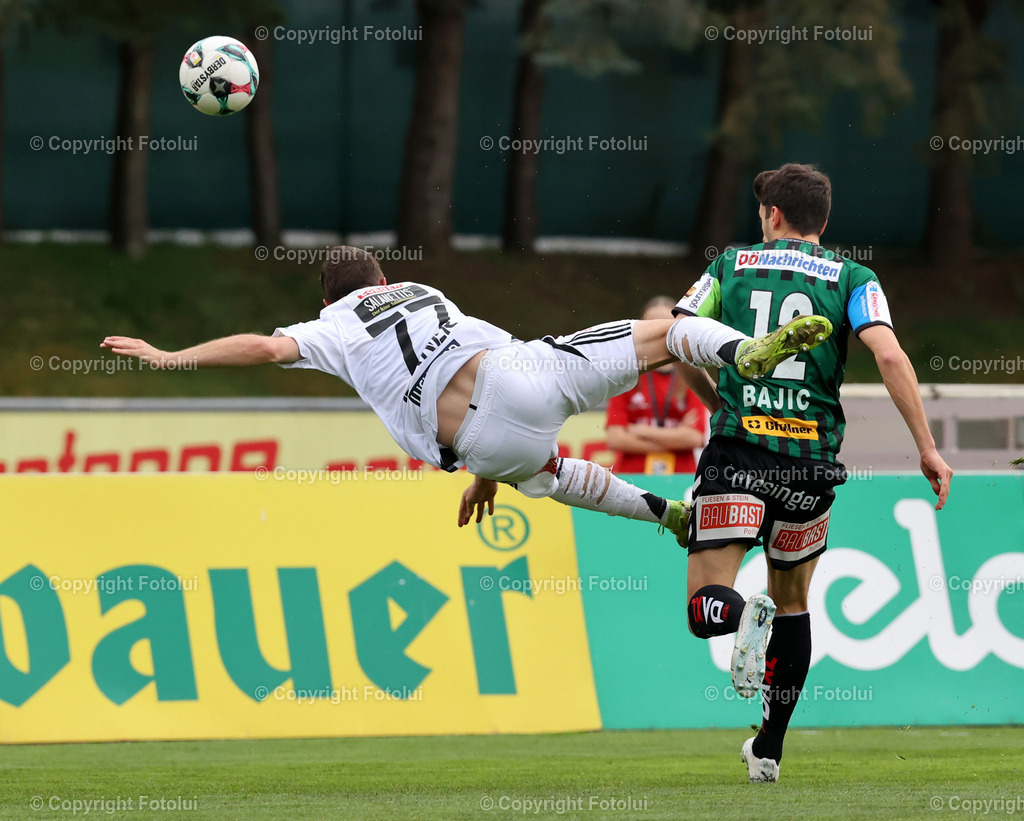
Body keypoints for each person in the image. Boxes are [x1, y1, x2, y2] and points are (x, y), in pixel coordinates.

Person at [100, 246, 830, 542]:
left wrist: (170, 357)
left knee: (543, 471)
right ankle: (742, 350)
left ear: (333, 298)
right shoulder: (424, 288)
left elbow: (264, 347)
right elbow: (486, 363)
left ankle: (669, 515)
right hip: (525, 376)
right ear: (384, 281)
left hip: (480, 442)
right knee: (666, 330)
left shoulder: (332, 324)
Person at [672, 164, 953, 783]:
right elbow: (887, 354)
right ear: (823, 222)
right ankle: (768, 748)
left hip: (739, 452)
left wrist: (717, 397)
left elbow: (677, 337)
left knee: (704, 606)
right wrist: (927, 449)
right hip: (811, 466)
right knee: (794, 606)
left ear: (771, 215)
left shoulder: (728, 267)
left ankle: (739, 614)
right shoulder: (856, 277)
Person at [605, 296, 708, 475]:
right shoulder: (626, 375)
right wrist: (674, 438)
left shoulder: (693, 375)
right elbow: (615, 439)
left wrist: (642, 431)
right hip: (632, 478)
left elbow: (695, 438)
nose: (658, 331)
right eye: (651, 324)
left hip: (680, 478)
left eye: (665, 324)